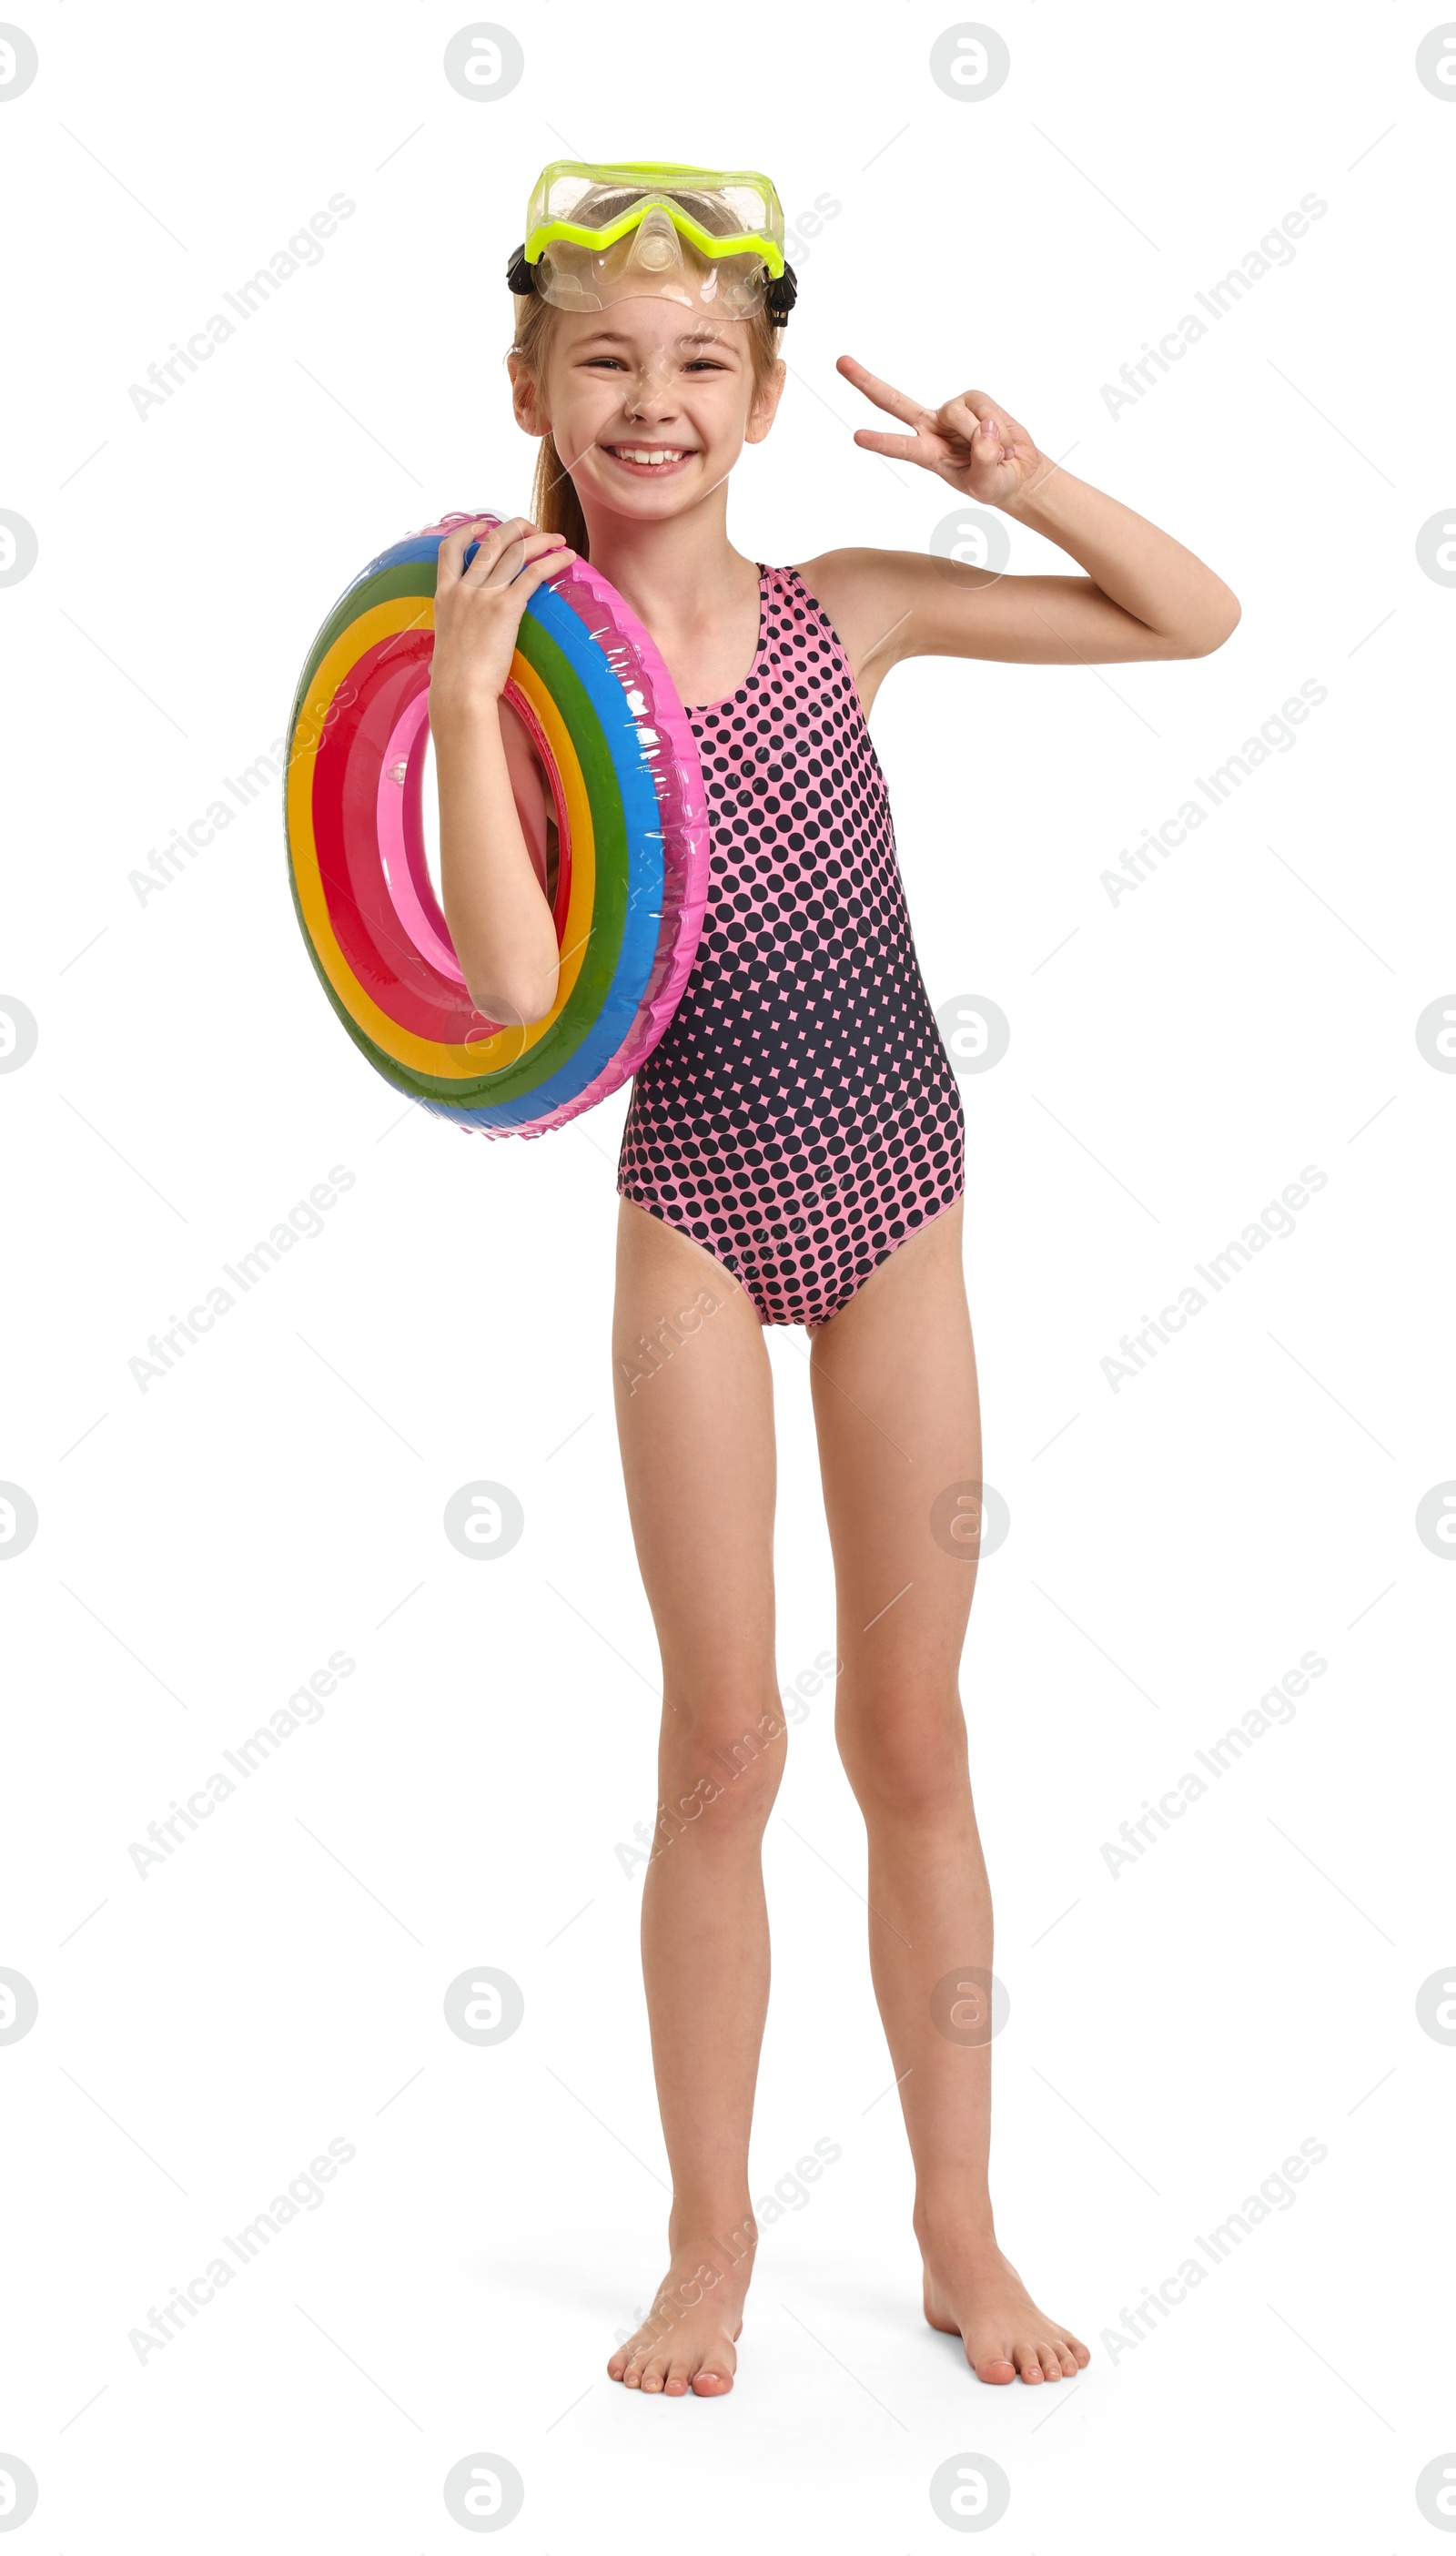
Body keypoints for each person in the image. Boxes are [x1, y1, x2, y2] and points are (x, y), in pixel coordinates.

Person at [429, 162, 1239, 2399]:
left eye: (700, 360)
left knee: (910, 1735)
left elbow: (1194, 623)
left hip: (896, 1198)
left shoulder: (846, 611)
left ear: (766, 395)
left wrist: (1024, 475)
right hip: (692, 1198)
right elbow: (509, 998)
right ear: (533, 385)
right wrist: (470, 684)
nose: (652, 396)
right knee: (721, 1742)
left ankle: (958, 2230)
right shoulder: (517, 678)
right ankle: (706, 2248)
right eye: (605, 356)